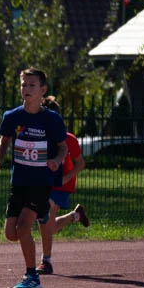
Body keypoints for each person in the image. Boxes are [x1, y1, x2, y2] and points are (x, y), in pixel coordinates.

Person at [0, 68, 68, 288]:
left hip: (40, 182)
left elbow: (63, 148)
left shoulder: (52, 119)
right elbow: (3, 141)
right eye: (24, 85)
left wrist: (56, 160)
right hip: (19, 181)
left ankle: (32, 276)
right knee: (10, 233)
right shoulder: (12, 117)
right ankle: (43, 212)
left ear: (43, 90)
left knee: (23, 228)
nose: (27, 89)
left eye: (32, 85)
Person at [37, 96, 90, 275]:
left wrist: (66, 178)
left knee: (45, 214)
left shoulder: (69, 139)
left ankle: (46, 261)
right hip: (43, 184)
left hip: (61, 186)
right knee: (49, 227)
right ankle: (76, 215)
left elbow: (80, 163)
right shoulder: (38, 138)